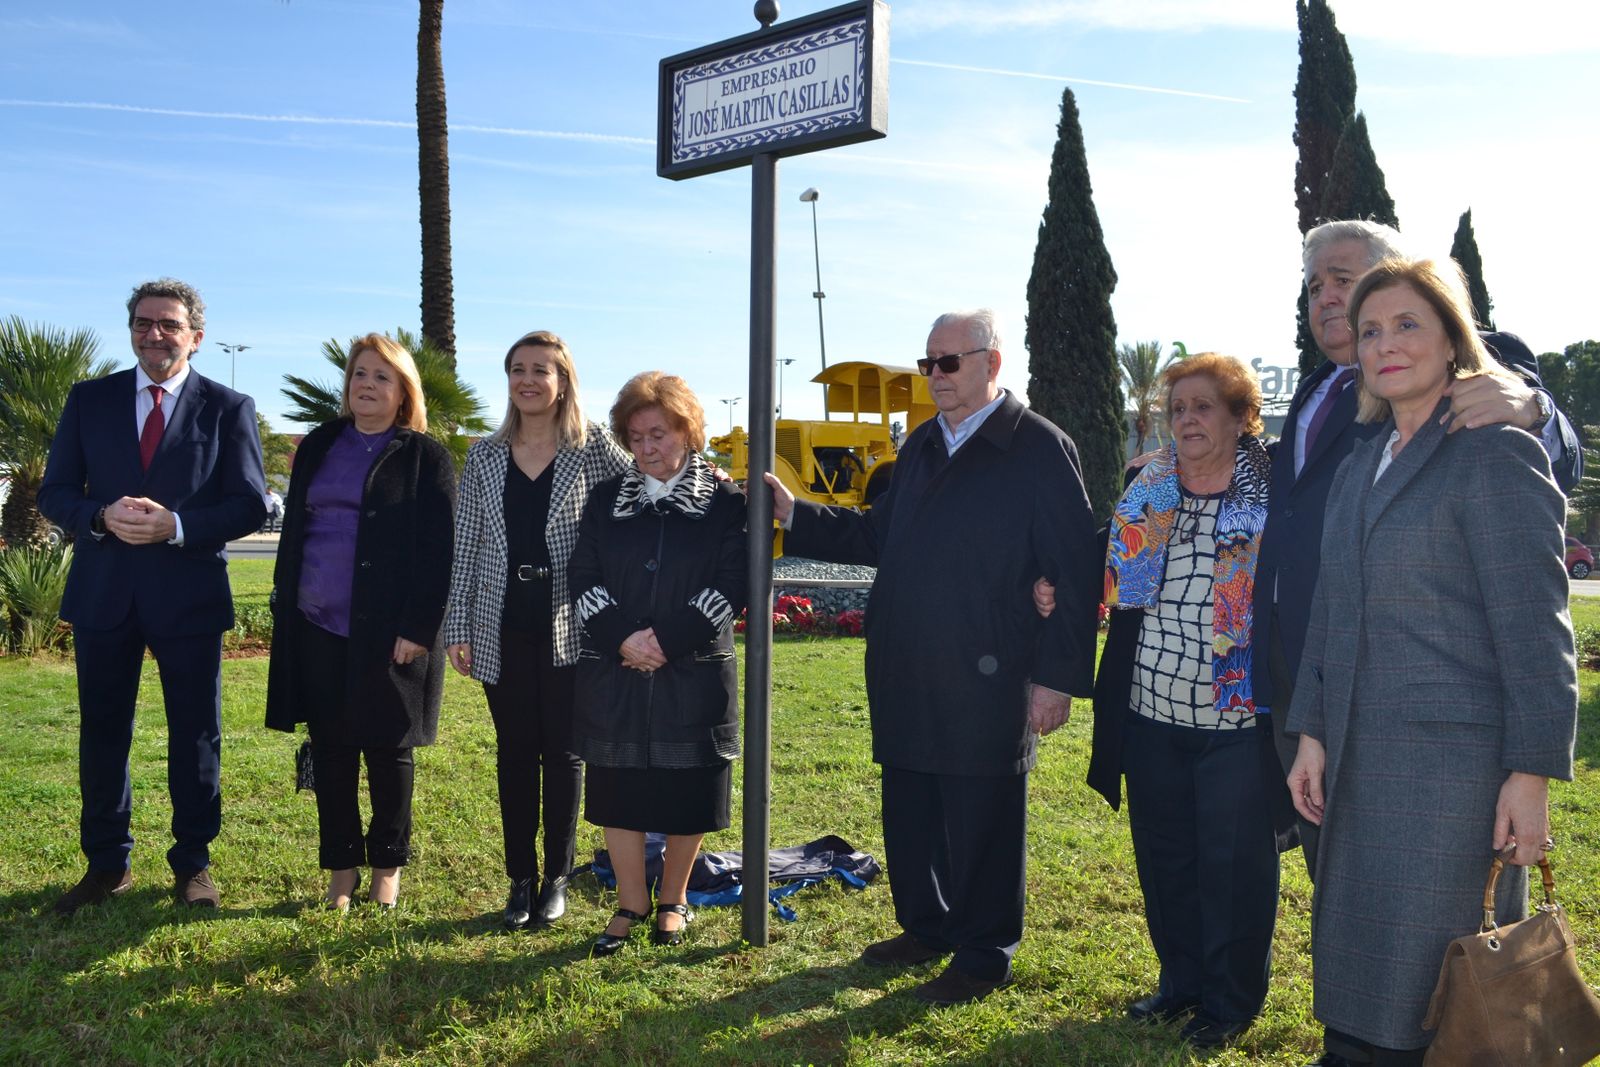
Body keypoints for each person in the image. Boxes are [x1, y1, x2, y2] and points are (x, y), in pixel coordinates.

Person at [1252, 220, 1580, 1067]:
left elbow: (1539, 631)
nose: (1385, 343)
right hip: (1355, 764)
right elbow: (1333, 617)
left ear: (1452, 339)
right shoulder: (1365, 462)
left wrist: (1532, 773)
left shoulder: (1496, 454)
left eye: (1408, 325)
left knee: (1434, 995)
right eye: (1369, 330)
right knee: (1358, 980)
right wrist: (1314, 732)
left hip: (1454, 781)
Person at [764, 309, 1101, 1005]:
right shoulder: (920, 446)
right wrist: (793, 511)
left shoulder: (1038, 446)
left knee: (982, 814)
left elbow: (1073, 566)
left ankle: (983, 952)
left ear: (992, 364)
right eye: (929, 364)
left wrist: (1057, 678)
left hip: (992, 669)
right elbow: (874, 536)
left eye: (949, 362)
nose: (937, 376)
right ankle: (926, 926)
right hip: (908, 665)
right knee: (912, 805)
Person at [39, 278, 267, 915]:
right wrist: (97, 515)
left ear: (195, 335)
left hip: (188, 593)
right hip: (103, 592)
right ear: (132, 329)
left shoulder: (228, 406)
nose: (154, 334)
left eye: (168, 324)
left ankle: (193, 863)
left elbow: (249, 501)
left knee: (196, 733)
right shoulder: (90, 401)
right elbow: (54, 491)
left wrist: (178, 525)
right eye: (143, 322)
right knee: (103, 731)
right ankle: (107, 863)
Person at [1084, 354, 1278, 1049]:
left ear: (1239, 417)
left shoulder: (1274, 492)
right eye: (1179, 407)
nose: (1188, 418)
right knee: (1165, 858)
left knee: (1233, 868)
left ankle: (1230, 1002)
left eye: (1204, 406)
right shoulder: (1147, 488)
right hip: (1150, 710)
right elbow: (1101, 559)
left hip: (1236, 718)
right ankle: (1181, 982)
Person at [444, 331, 631, 931]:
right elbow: (466, 547)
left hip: (570, 625)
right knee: (514, 754)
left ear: (563, 380)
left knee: (564, 753)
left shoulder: (593, 446)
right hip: (501, 623)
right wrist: (458, 625)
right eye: (518, 369)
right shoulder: (485, 454)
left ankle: (558, 876)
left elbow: (643, 486)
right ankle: (520, 879)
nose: (529, 380)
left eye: (541, 370)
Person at [265, 333, 456, 911]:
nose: (367, 385)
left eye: (382, 377)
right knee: (332, 748)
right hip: (315, 622)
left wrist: (419, 628)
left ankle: (388, 868)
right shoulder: (321, 444)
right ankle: (341, 870)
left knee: (388, 748)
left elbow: (439, 552)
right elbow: (297, 528)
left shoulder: (425, 457)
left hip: (390, 631)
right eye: (359, 375)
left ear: (404, 392)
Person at [570, 371, 747, 955]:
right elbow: (583, 580)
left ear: (688, 432)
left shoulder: (726, 504)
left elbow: (732, 583)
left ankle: (673, 899)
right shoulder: (603, 502)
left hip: (691, 671)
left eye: (659, 434)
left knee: (685, 788)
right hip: (615, 672)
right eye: (636, 436)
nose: (646, 448)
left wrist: (666, 641)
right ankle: (630, 903)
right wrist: (625, 639)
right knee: (618, 788)